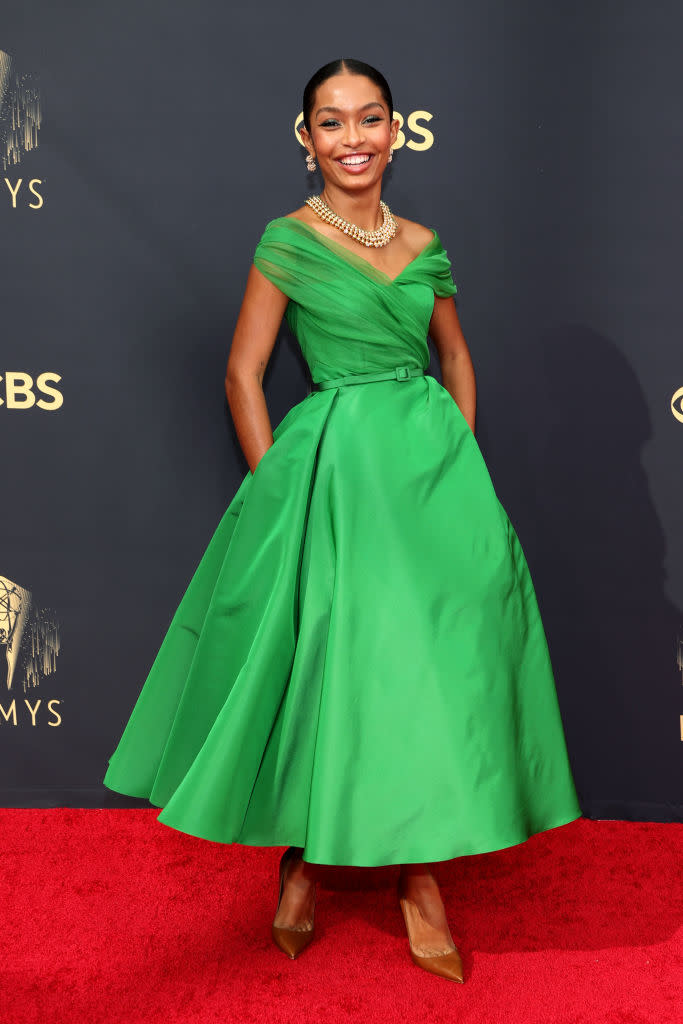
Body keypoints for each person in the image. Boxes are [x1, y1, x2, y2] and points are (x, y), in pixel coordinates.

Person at [103, 58, 582, 984]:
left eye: (370, 119)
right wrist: (280, 483)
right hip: (333, 476)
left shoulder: (426, 242)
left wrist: (457, 459)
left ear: (395, 132)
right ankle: (303, 858)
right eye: (332, 122)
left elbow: (454, 355)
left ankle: (418, 874)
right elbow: (245, 374)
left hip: (429, 477)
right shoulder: (284, 241)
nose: (352, 138)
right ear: (306, 137)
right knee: (338, 671)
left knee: (431, 671)